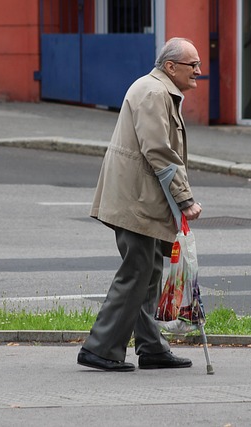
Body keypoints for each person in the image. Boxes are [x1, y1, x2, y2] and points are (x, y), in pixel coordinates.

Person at [77, 38, 203, 372]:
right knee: (137, 270)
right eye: (193, 65)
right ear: (171, 67)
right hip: (135, 199)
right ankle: (100, 348)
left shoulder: (159, 90)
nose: (198, 71)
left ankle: (151, 347)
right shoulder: (153, 92)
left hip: (141, 198)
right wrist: (185, 198)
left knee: (149, 271)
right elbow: (158, 150)